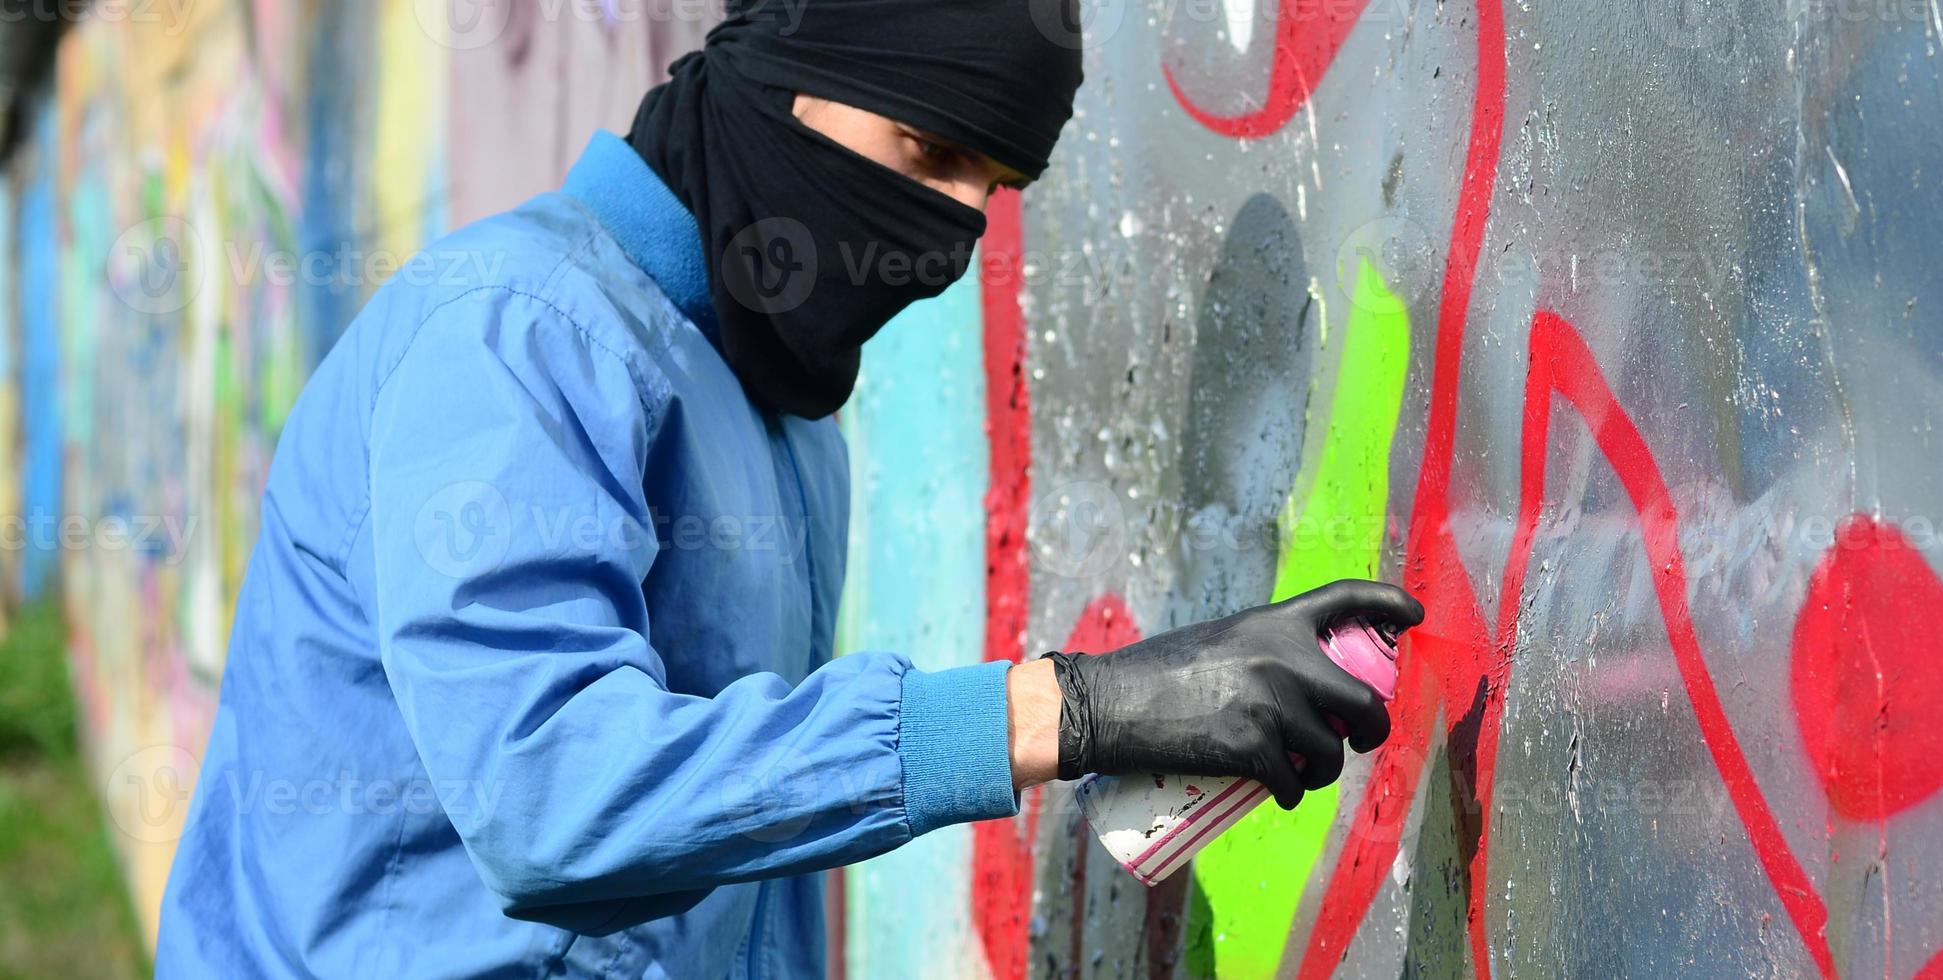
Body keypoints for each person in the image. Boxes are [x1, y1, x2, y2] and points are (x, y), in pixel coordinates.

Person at [154, 1, 1423, 974]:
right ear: (775, 71)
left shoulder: (782, 409)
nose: (944, 237)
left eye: (989, 186)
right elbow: (547, 793)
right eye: (921, 150)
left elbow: (734, 868)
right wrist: (1068, 710)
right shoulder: (522, 334)